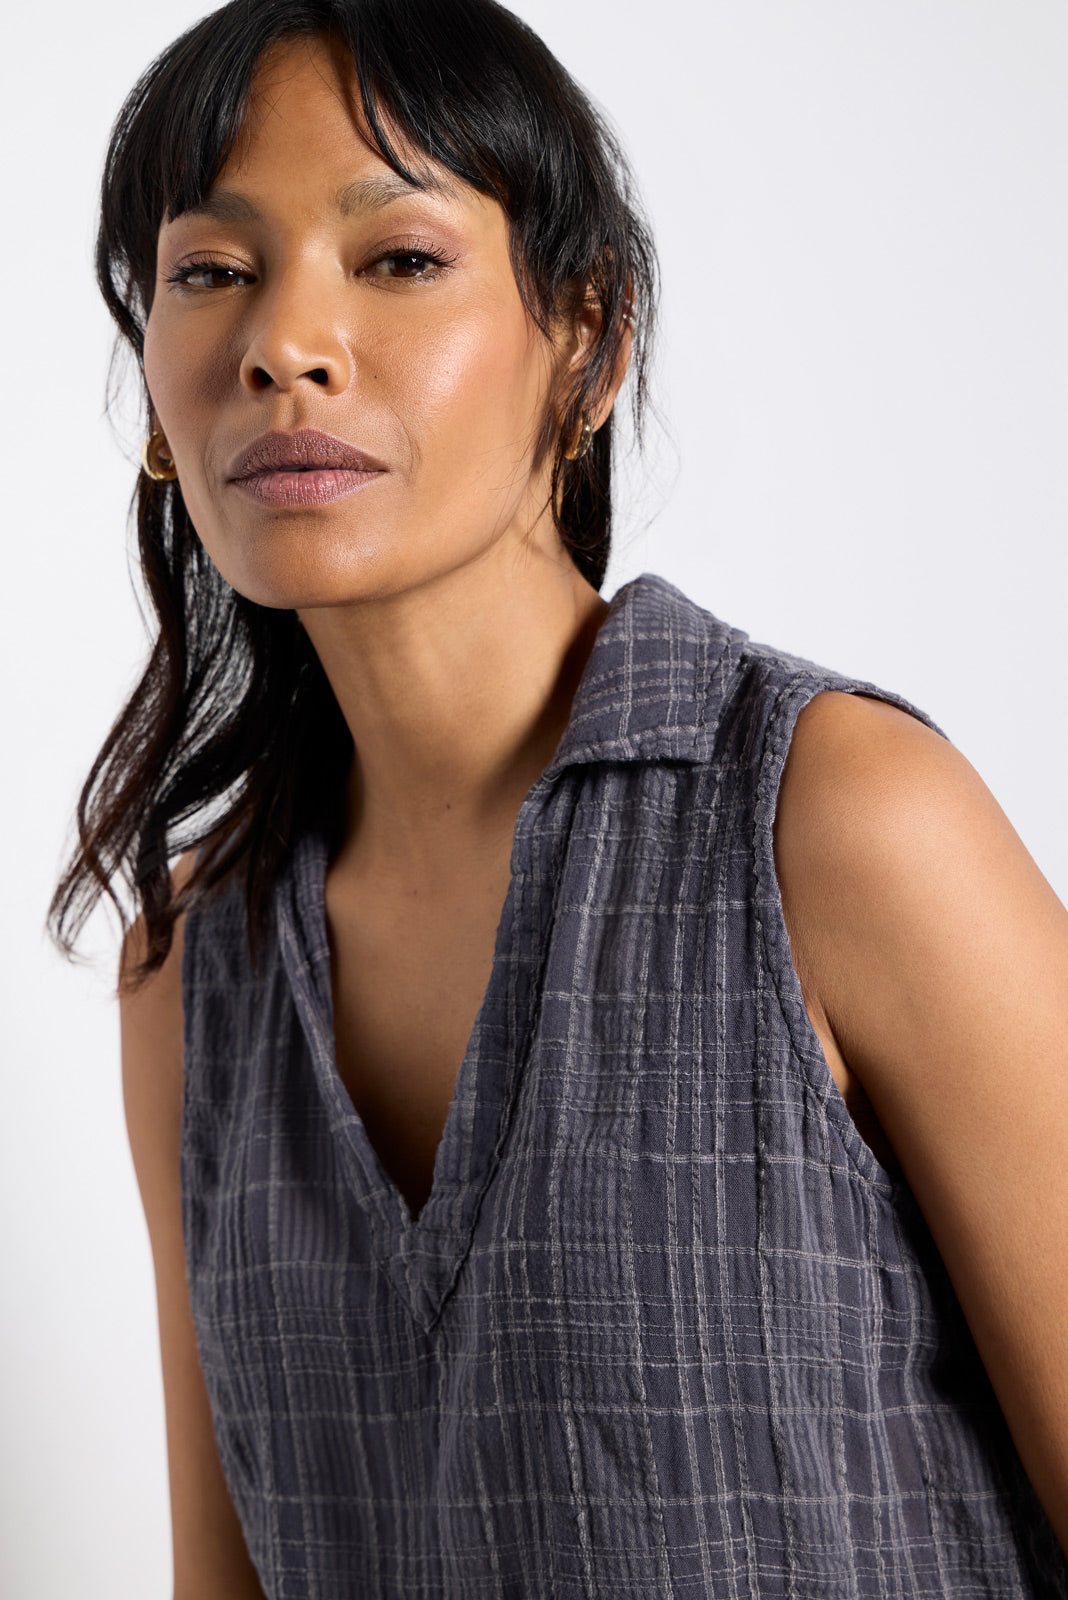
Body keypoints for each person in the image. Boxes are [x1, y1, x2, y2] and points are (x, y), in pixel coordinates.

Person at [48, 0, 1068, 1594]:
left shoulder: (837, 823)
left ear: (587, 345)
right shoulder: (193, 973)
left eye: (399, 259)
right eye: (213, 270)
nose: (283, 344)